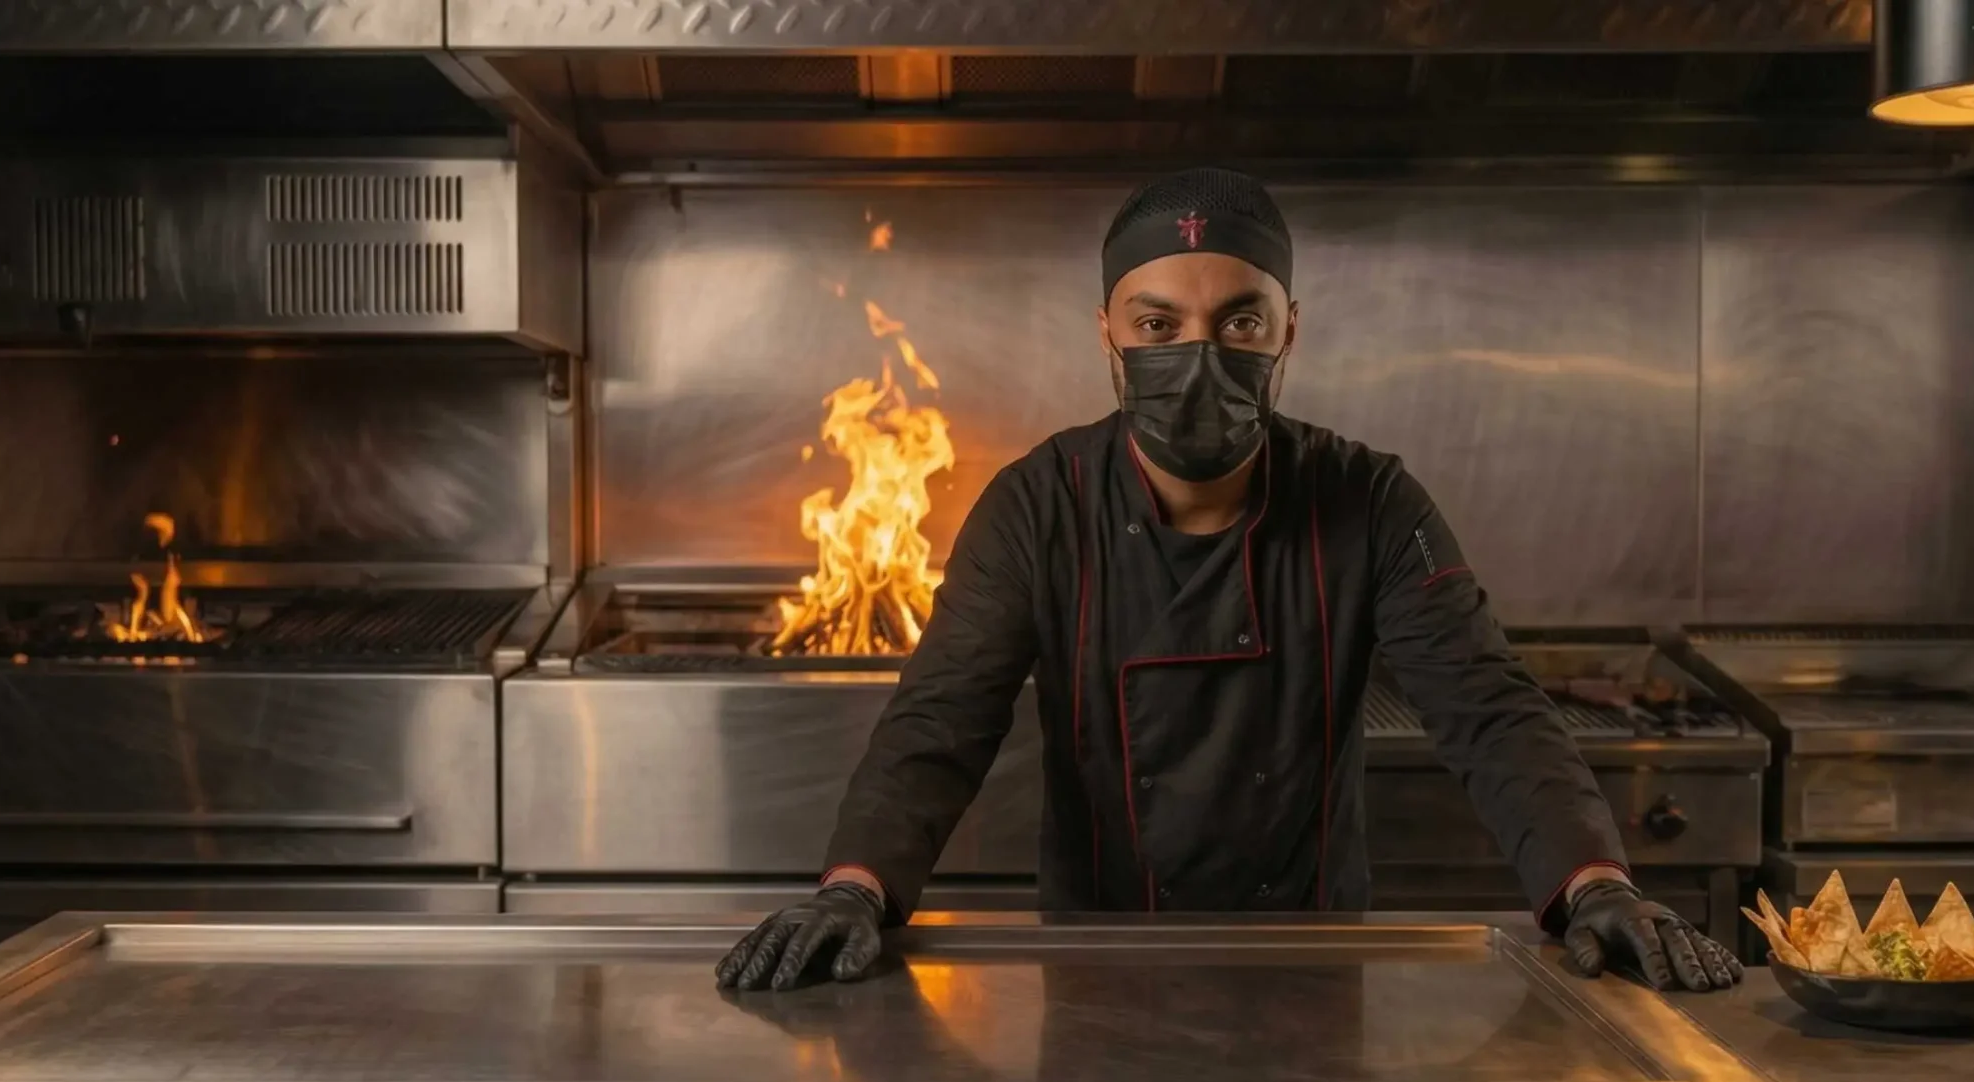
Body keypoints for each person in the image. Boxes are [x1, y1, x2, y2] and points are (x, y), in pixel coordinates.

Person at [717, 168, 1741, 994]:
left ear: (1286, 328)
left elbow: (1489, 709)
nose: (1197, 356)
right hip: (1095, 968)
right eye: (1157, 325)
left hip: (1310, 962)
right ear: (1108, 332)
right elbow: (939, 720)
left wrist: (1592, 880)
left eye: (1237, 323)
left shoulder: (1371, 501)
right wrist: (856, 884)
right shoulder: (1037, 506)